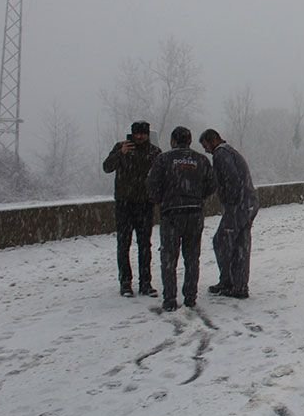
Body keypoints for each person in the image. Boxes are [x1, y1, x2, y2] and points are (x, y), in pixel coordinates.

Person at [146, 126, 216, 311]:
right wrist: (197, 196)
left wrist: (162, 199)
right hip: (194, 212)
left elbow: (152, 186)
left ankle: (170, 299)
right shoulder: (201, 160)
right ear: (190, 140)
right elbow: (212, 184)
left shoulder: (163, 160)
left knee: (169, 257)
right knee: (192, 257)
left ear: (173, 141)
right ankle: (190, 297)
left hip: (171, 213)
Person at [102, 121, 162, 298]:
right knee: (124, 244)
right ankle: (125, 282)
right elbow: (107, 167)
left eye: (143, 134)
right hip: (124, 203)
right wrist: (120, 154)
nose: (140, 137)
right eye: (137, 133)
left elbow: (161, 174)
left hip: (145, 204)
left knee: (145, 245)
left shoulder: (154, 152)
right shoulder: (121, 147)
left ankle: (146, 282)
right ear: (132, 133)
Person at [199, 128, 259, 300]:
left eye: (205, 145)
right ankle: (236, 284)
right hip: (248, 204)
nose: (205, 150)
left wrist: (230, 203)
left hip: (238, 206)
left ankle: (232, 283)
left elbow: (231, 180)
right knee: (240, 243)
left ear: (212, 141)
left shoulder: (221, 154)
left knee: (223, 242)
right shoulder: (230, 151)